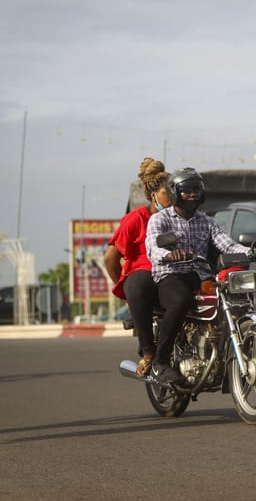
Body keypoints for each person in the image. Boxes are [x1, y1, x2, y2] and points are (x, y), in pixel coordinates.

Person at [145, 167, 256, 384]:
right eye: (187, 190)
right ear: (175, 192)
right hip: (171, 275)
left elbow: (227, 244)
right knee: (181, 300)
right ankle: (160, 362)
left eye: (197, 189)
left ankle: (221, 351)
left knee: (232, 297)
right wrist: (170, 254)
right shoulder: (161, 219)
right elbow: (152, 248)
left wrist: (251, 251)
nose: (193, 194)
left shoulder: (207, 221)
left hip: (201, 275)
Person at [104, 157, 172, 376]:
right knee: (140, 284)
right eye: (168, 193)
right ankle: (148, 353)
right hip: (143, 275)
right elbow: (110, 259)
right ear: (154, 196)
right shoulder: (136, 219)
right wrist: (126, 293)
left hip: (171, 273)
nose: (174, 198)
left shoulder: (181, 219)